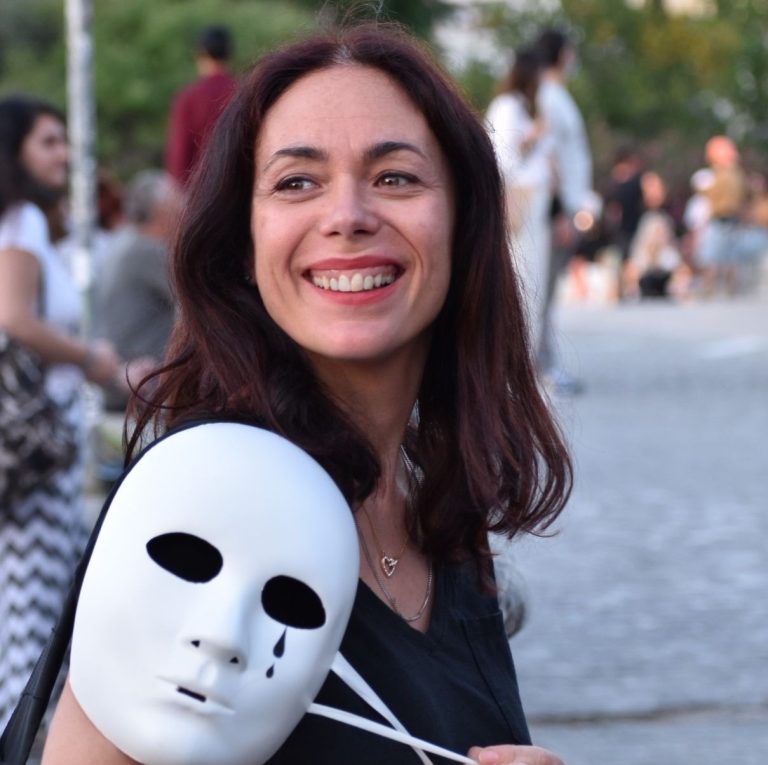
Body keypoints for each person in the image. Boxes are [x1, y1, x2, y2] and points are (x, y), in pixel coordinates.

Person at [41, 23, 572, 765]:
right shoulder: (198, 506)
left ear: (463, 223)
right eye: (297, 182)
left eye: (395, 177)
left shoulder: (435, 508)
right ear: (245, 243)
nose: (347, 216)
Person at [0, 95, 121, 729]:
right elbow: (15, 320)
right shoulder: (19, 221)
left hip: (31, 452)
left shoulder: (25, 222)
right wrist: (94, 359)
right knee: (32, 625)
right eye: (48, 141)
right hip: (35, 450)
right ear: (14, 149)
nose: (64, 154)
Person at [91, 169, 180, 412]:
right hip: (138, 382)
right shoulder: (146, 250)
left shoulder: (123, 240)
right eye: (177, 203)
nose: (185, 209)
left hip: (119, 377)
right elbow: (198, 300)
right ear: (160, 212)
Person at [535, 27, 593, 392]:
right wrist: (558, 212)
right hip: (552, 210)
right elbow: (548, 158)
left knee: (548, 290)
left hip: (564, 207)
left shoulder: (555, 94)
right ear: (560, 53)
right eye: (570, 51)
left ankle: (542, 364)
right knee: (541, 290)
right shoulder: (547, 97)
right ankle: (541, 367)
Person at [486, 47, 551, 360]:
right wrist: (533, 137)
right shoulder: (508, 106)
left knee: (533, 279)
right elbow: (502, 157)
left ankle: (528, 360)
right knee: (524, 278)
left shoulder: (523, 107)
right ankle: (516, 361)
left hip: (534, 200)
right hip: (521, 201)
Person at [165, 25, 237, 188]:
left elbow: (179, 155)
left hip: (200, 189)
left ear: (200, 54)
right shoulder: (243, 92)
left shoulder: (188, 98)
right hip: (238, 186)